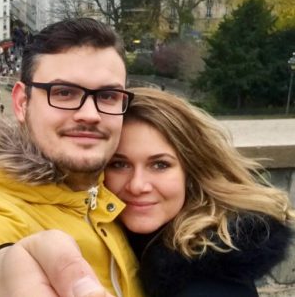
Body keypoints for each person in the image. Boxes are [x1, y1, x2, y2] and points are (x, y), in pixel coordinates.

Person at [0, 18, 142, 297]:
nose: (90, 114)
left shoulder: (126, 191)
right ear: (22, 103)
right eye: (64, 93)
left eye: (108, 96)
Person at [104, 88, 293, 297]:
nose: (137, 185)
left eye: (160, 165)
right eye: (119, 164)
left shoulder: (210, 280)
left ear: (191, 172)